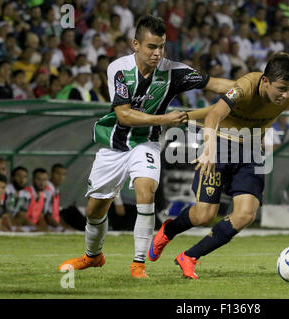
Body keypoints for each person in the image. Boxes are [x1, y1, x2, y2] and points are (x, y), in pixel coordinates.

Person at [148, 52, 289, 279]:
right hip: (220, 145)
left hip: (251, 151)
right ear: (265, 81)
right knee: (204, 215)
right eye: (281, 89)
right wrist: (208, 149)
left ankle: (189, 256)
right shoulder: (245, 87)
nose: (285, 95)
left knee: (246, 215)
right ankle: (168, 230)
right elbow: (213, 116)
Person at [58, 16, 234, 278]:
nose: (157, 53)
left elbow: (214, 83)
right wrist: (165, 119)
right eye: (151, 46)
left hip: (146, 143)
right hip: (114, 145)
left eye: (161, 46)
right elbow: (124, 115)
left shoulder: (173, 70)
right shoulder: (119, 70)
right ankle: (93, 256)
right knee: (95, 209)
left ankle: (138, 264)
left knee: (145, 191)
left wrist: (251, 88)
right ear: (136, 44)